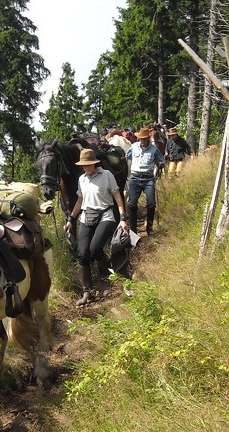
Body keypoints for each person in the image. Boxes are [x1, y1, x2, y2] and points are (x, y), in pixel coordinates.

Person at [66, 148, 128, 307]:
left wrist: (122, 218)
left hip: (106, 215)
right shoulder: (82, 179)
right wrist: (71, 219)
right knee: (83, 253)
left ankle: (104, 281)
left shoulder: (107, 175)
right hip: (86, 216)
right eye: (83, 165)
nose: (85, 168)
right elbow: (80, 201)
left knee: (95, 249)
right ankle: (87, 292)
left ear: (94, 163)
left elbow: (117, 196)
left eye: (88, 165)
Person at [126, 125, 166, 236]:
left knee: (151, 204)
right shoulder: (133, 147)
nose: (142, 141)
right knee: (132, 204)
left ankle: (149, 228)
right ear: (138, 138)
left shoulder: (154, 150)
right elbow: (128, 156)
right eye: (141, 138)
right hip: (135, 178)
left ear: (148, 138)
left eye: (144, 138)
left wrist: (161, 164)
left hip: (148, 179)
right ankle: (133, 231)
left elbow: (162, 161)